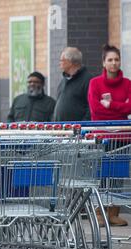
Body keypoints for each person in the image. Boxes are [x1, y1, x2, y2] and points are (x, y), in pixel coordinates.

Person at [88, 44, 131, 227]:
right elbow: (96, 111)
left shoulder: (127, 84)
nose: (114, 63)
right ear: (104, 63)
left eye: (116, 59)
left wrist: (110, 105)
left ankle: (113, 212)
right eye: (110, 60)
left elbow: (129, 108)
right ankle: (100, 212)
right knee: (102, 174)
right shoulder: (95, 83)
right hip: (102, 135)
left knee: (118, 175)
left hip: (122, 137)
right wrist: (119, 108)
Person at [53, 47, 93, 121]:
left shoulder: (88, 80)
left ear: (70, 62)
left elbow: (91, 107)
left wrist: (82, 126)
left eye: (62, 60)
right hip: (60, 129)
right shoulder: (64, 80)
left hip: (77, 130)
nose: (59, 63)